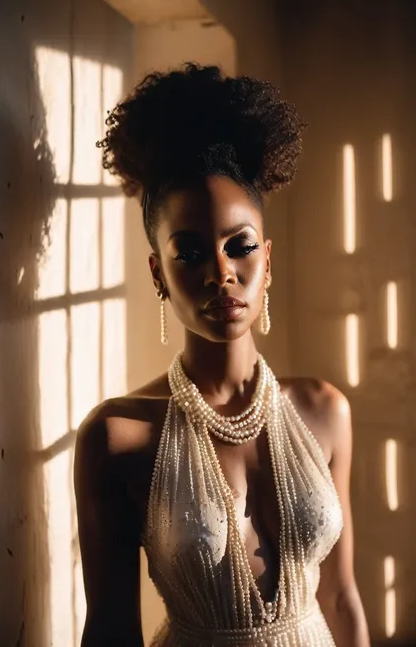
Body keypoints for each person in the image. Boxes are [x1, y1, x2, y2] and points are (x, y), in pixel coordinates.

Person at [74, 63, 370, 647]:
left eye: (241, 247)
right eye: (189, 254)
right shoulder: (118, 438)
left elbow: (340, 595)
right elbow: (109, 629)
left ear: (268, 260)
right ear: (157, 273)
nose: (222, 274)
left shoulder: (324, 412)